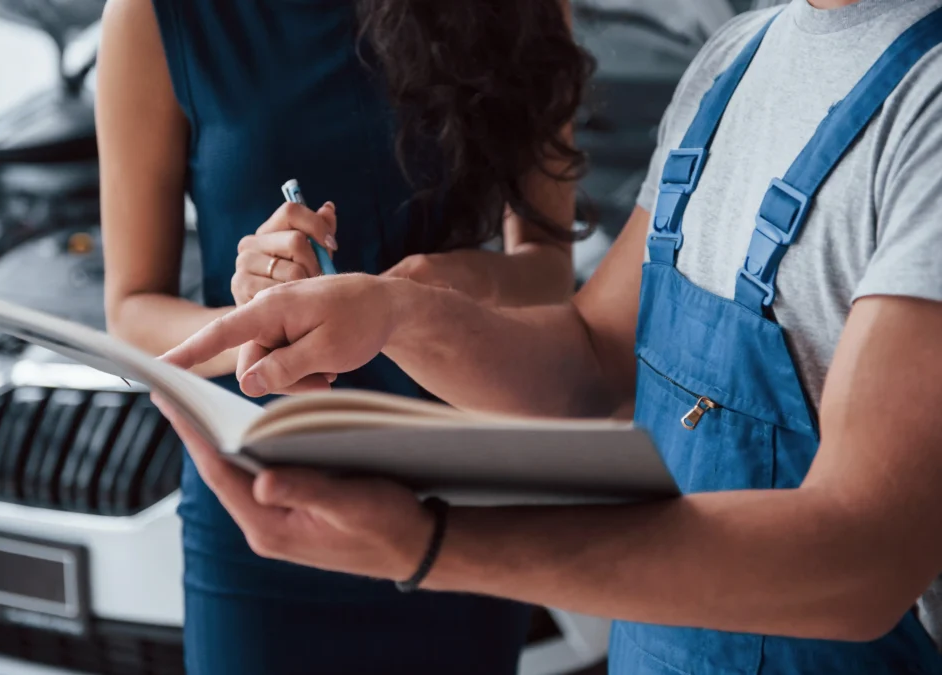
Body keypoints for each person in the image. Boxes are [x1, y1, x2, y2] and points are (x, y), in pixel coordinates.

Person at [158, 0, 942, 673]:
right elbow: (591, 357)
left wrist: (434, 544)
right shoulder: (733, 63)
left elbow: (863, 555)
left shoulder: (926, 105)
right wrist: (390, 314)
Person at [95, 0, 592, 673]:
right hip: (264, 512)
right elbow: (130, 312)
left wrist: (418, 293)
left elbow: (546, 272)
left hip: (462, 497)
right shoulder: (158, 16)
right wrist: (255, 323)